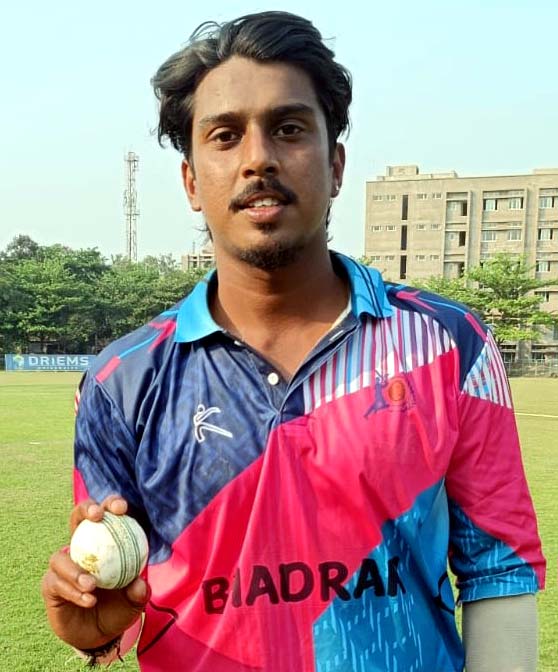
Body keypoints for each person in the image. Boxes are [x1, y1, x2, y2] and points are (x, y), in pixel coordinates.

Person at [42, 11, 545, 672]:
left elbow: (498, 570)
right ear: (191, 181)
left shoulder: (449, 344)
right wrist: (92, 626)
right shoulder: (122, 380)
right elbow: (112, 591)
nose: (258, 158)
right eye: (225, 136)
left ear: (335, 165)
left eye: (288, 128)